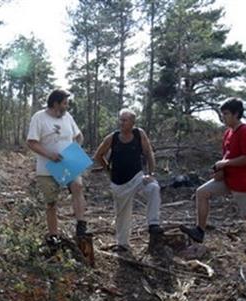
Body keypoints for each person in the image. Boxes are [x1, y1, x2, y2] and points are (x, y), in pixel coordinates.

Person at [180, 98, 246, 263]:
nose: (222, 117)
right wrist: (220, 171)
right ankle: (199, 231)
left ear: (236, 114)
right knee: (202, 192)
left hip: (244, 182)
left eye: (225, 114)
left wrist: (226, 163)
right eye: (222, 114)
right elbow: (227, 156)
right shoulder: (228, 132)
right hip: (229, 179)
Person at [94, 108, 163, 252]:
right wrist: (108, 170)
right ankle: (123, 244)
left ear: (132, 122)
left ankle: (153, 224)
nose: (121, 123)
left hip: (138, 178)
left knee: (153, 187)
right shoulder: (112, 137)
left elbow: (149, 152)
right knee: (122, 215)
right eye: (120, 119)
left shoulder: (139, 134)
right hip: (119, 183)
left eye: (125, 120)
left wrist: (151, 172)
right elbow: (98, 155)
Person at [26, 89, 88, 246]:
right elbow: (31, 142)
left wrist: (75, 149)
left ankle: (81, 225)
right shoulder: (39, 118)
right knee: (51, 202)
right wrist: (49, 154)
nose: (67, 107)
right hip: (47, 166)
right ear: (55, 103)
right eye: (65, 103)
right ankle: (54, 237)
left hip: (67, 163)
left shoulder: (67, 117)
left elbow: (79, 135)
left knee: (77, 186)